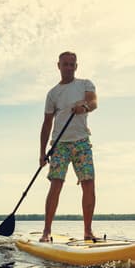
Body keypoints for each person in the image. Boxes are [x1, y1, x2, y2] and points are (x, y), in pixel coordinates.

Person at [40, 51, 97, 242]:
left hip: (81, 142)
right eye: (65, 64)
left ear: (76, 66)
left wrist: (85, 107)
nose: (69, 68)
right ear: (59, 66)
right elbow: (47, 123)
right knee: (56, 185)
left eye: (72, 64)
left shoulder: (85, 84)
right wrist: (42, 153)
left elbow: (93, 101)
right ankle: (46, 231)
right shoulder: (53, 93)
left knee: (88, 184)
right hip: (59, 145)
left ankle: (88, 231)